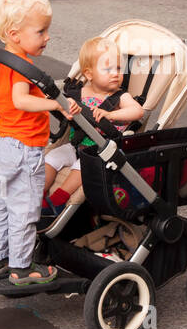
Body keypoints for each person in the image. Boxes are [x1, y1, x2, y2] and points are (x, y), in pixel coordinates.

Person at [0, 0, 78, 285]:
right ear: (15, 34)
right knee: (24, 210)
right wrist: (54, 103)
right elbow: (21, 101)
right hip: (23, 148)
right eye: (40, 31)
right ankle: (21, 268)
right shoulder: (21, 68)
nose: (47, 37)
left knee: (0, 204)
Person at [43, 36, 145, 212]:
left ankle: (59, 198)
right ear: (89, 74)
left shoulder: (120, 97)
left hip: (100, 151)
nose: (115, 73)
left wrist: (111, 114)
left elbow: (138, 112)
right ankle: (39, 194)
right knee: (51, 158)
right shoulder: (77, 93)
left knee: (82, 167)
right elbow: (62, 106)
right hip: (75, 144)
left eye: (119, 68)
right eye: (108, 68)